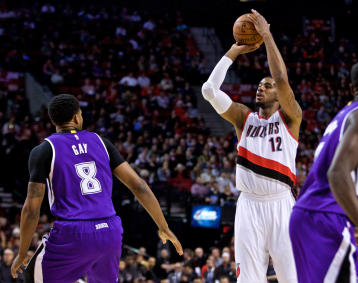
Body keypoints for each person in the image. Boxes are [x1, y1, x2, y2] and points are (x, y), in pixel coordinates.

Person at [10, 94, 183, 282]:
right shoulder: (102, 142)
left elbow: (31, 209)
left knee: (32, 276)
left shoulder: (44, 150)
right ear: (77, 117)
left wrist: (21, 252)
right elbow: (139, 186)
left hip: (73, 233)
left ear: (54, 121)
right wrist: (163, 227)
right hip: (110, 230)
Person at [201, 9, 301, 283]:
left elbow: (281, 80)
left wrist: (267, 36)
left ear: (279, 98)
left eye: (266, 86)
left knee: (292, 277)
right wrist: (233, 52)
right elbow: (209, 91)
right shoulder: (244, 117)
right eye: (259, 84)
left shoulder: (291, 118)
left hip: (281, 203)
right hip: (248, 206)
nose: (261, 87)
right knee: (248, 279)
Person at [290, 59, 358, 282]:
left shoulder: (344, 116)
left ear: (352, 89)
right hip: (327, 218)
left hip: (311, 216)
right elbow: (337, 173)